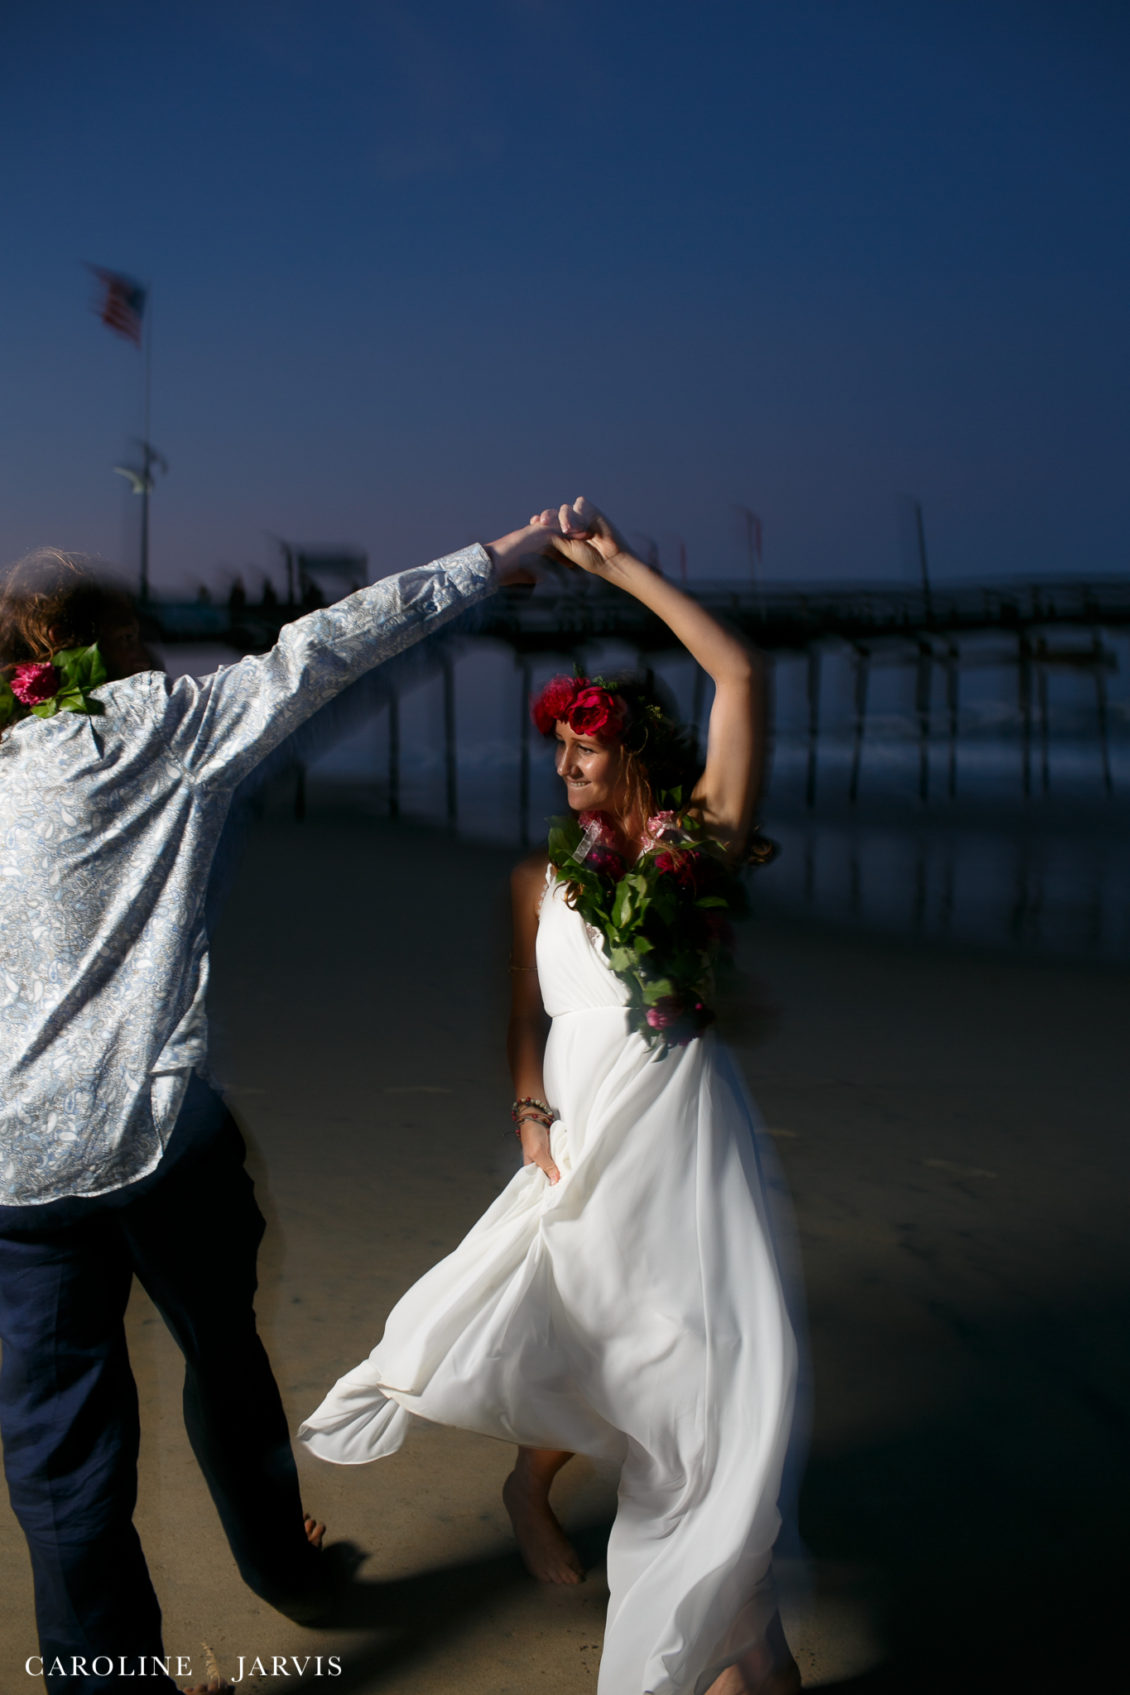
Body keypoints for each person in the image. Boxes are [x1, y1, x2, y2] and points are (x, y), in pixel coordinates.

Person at [0, 517, 560, 1695]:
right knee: (223, 1349)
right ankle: (281, 1567)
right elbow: (327, 645)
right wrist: (491, 558)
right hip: (154, 1143)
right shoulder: (169, 730)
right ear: (115, 649)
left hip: (15, 1177)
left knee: (62, 1470)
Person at [300, 497, 802, 1695]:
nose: (565, 767)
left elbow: (736, 675)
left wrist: (623, 569)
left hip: (682, 1135)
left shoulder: (698, 843)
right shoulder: (538, 874)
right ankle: (542, 1494)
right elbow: (522, 1016)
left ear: (628, 748)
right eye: (556, 751)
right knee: (587, 1332)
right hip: (580, 1135)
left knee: (698, 1364)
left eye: (583, 747)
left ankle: (720, 1624)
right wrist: (528, 1113)